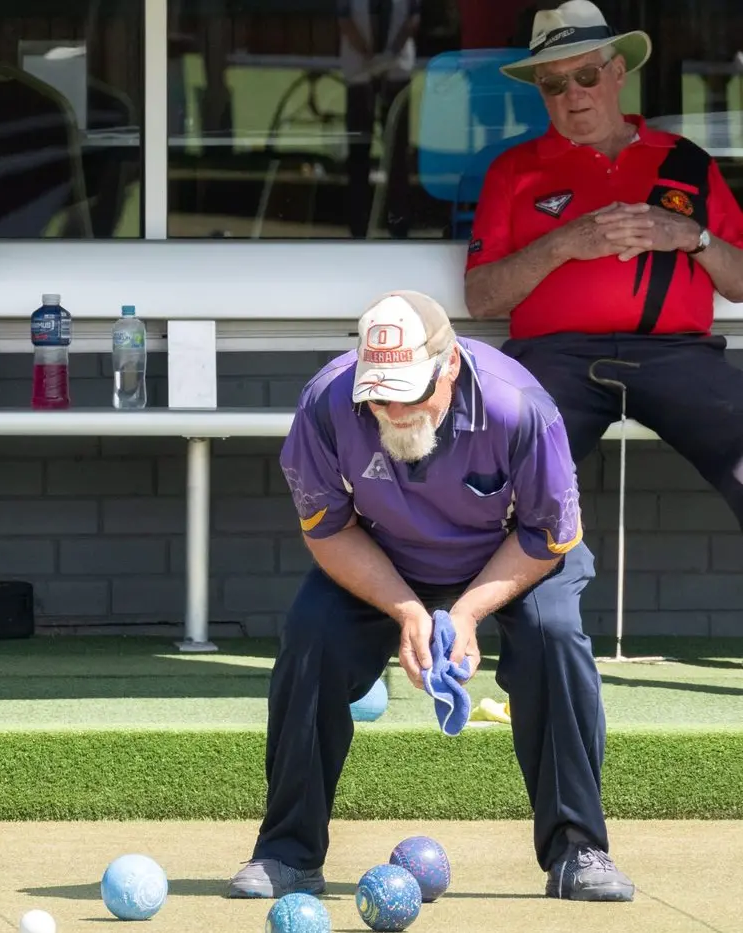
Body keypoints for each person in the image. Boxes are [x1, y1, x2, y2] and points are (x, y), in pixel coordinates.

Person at [227, 291, 635, 903]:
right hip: (385, 552)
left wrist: (467, 611)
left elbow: (548, 536)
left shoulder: (520, 407)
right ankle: (287, 853)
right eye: (379, 393)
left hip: (513, 552)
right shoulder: (326, 404)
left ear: (449, 365)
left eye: (409, 390)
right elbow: (329, 529)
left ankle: (579, 851)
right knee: (311, 634)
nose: (392, 409)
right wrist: (408, 610)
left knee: (555, 639)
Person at [465, 1, 743, 527]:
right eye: (553, 84)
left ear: (618, 74)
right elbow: (481, 299)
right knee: (506, 480)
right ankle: (531, 609)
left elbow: (740, 282)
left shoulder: (685, 160)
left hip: (677, 356)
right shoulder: (513, 171)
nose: (572, 95)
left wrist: (691, 236)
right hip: (556, 359)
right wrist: (563, 243)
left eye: (586, 75)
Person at [337, 0, 419, 238]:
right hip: (360, 71)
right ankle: (358, 224)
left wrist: (390, 54)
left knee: (397, 152)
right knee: (359, 149)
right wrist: (369, 56)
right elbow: (344, 19)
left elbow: (413, 18)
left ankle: (399, 222)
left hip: (396, 70)